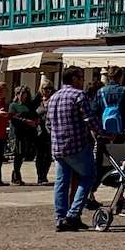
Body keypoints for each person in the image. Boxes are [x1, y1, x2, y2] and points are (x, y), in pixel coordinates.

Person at [48, 67, 101, 231]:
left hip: (58, 147)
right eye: (81, 77)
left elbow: (48, 124)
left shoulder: (53, 97)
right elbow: (89, 119)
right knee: (89, 176)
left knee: (61, 182)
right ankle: (73, 214)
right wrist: (103, 133)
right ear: (74, 79)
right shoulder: (78, 95)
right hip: (76, 145)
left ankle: (60, 217)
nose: (83, 80)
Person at [8, 85, 46, 185]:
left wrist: (36, 120)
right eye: (22, 94)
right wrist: (26, 121)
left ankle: (17, 174)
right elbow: (13, 118)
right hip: (18, 133)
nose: (24, 96)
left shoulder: (29, 105)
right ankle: (16, 174)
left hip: (29, 133)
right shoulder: (13, 105)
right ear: (17, 94)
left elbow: (35, 113)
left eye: (25, 94)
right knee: (18, 154)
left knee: (25, 154)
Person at [93, 68, 125, 140]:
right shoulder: (124, 91)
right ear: (120, 77)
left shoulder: (101, 92)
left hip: (104, 131)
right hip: (121, 131)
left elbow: (94, 111)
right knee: (121, 150)